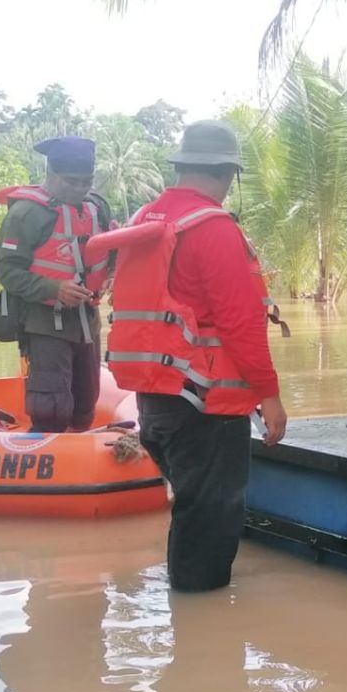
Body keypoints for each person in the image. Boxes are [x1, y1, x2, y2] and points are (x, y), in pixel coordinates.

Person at [105, 120, 287, 592]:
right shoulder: (213, 228)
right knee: (208, 519)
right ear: (229, 174)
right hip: (205, 404)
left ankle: (188, 615)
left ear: (182, 166)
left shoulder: (146, 219)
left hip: (155, 398)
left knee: (191, 508)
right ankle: (199, 633)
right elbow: (240, 322)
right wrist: (269, 396)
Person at [0, 136, 112, 433]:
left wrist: (113, 273)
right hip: (44, 323)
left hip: (87, 322)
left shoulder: (97, 207)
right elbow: (6, 269)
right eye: (72, 181)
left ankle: (81, 460)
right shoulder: (26, 213)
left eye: (87, 181)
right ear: (51, 175)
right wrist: (54, 289)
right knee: (51, 407)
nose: (80, 188)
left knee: (85, 405)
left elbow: (113, 249)